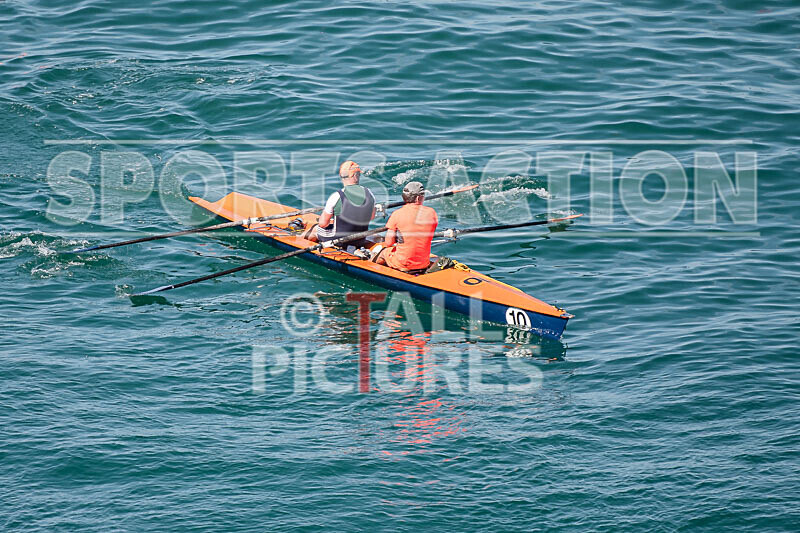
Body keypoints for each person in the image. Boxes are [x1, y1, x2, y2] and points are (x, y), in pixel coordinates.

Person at [304, 160, 376, 244]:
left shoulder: (336, 196)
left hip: (339, 240)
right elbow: (371, 217)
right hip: (360, 239)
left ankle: (296, 242)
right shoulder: (369, 193)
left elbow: (323, 224)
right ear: (355, 176)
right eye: (359, 174)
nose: (359, 176)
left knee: (315, 228)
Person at [372, 181, 438, 272]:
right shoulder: (432, 213)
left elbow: (388, 243)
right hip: (424, 263)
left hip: (402, 264)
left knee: (383, 252)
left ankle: (369, 266)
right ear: (418, 198)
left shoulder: (397, 214)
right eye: (423, 195)